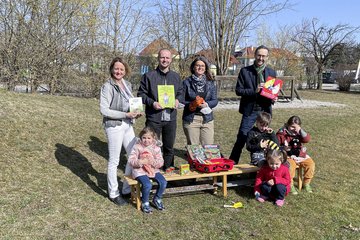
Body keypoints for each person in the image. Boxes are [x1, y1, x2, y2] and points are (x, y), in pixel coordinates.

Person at [100, 57, 143, 205]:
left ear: (125, 71)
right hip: (114, 125)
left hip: (127, 124)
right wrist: (125, 114)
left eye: (121, 69)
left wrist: (136, 112)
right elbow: (104, 110)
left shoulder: (127, 84)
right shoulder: (108, 86)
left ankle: (125, 188)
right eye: (116, 68)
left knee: (132, 154)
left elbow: (130, 104)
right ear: (112, 69)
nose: (119, 71)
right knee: (114, 160)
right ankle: (113, 193)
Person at [138, 48, 183, 173]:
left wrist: (178, 100)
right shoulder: (149, 76)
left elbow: (180, 92)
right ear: (158, 59)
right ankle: (151, 170)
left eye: (167, 58)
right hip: (154, 117)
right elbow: (141, 94)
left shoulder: (176, 77)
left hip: (170, 118)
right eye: (162, 57)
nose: (165, 60)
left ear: (171, 60)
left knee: (169, 146)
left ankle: (168, 168)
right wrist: (152, 103)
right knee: (151, 146)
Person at [229, 45, 277, 164]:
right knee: (242, 137)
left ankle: (266, 165)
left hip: (265, 111)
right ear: (255, 55)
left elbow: (272, 92)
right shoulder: (245, 71)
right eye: (259, 55)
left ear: (267, 57)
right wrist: (254, 91)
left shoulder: (271, 72)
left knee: (266, 138)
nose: (261, 58)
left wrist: (273, 98)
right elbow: (238, 90)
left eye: (263, 56)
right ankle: (232, 164)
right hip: (250, 110)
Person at [128, 127, 167, 214]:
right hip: (139, 170)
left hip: (153, 169)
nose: (146, 140)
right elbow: (131, 160)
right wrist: (140, 162)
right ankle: (145, 202)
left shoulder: (156, 148)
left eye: (149, 138)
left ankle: (157, 198)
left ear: (153, 138)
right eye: (144, 138)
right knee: (147, 184)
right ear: (141, 138)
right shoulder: (137, 147)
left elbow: (161, 161)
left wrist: (154, 162)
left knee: (163, 182)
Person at [182, 56, 218, 145]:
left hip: (207, 119)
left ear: (205, 68)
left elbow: (215, 100)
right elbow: (181, 100)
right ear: (193, 67)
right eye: (197, 65)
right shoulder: (186, 82)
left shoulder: (211, 82)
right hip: (191, 119)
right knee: (194, 149)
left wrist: (207, 104)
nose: (200, 68)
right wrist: (191, 104)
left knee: (208, 147)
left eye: (202, 66)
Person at [276, 116, 315, 194]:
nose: (294, 129)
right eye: (292, 127)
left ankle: (306, 183)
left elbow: (306, 139)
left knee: (311, 164)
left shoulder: (299, 132)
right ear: (288, 125)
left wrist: (300, 130)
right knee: (291, 166)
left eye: (296, 127)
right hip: (288, 155)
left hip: (299, 154)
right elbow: (276, 145)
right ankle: (290, 184)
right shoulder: (281, 133)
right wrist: (283, 148)